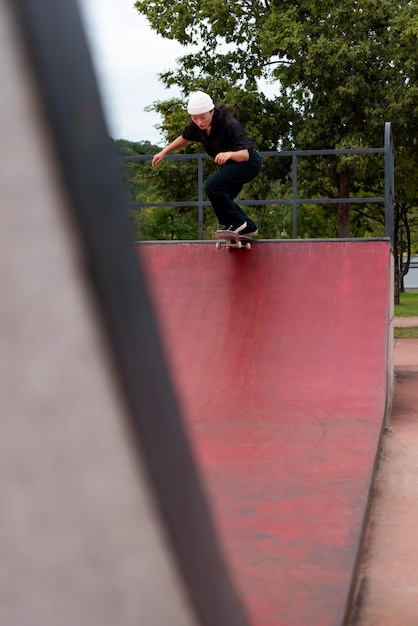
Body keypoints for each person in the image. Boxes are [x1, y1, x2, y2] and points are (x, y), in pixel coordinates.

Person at [152, 91, 262, 236]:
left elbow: (244, 155)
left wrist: (229, 154)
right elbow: (184, 138)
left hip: (247, 163)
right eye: (195, 118)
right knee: (223, 197)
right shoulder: (196, 126)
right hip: (231, 165)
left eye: (203, 117)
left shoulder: (229, 124)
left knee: (212, 185)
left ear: (212, 111)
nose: (199, 122)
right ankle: (247, 226)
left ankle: (238, 223)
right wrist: (164, 151)